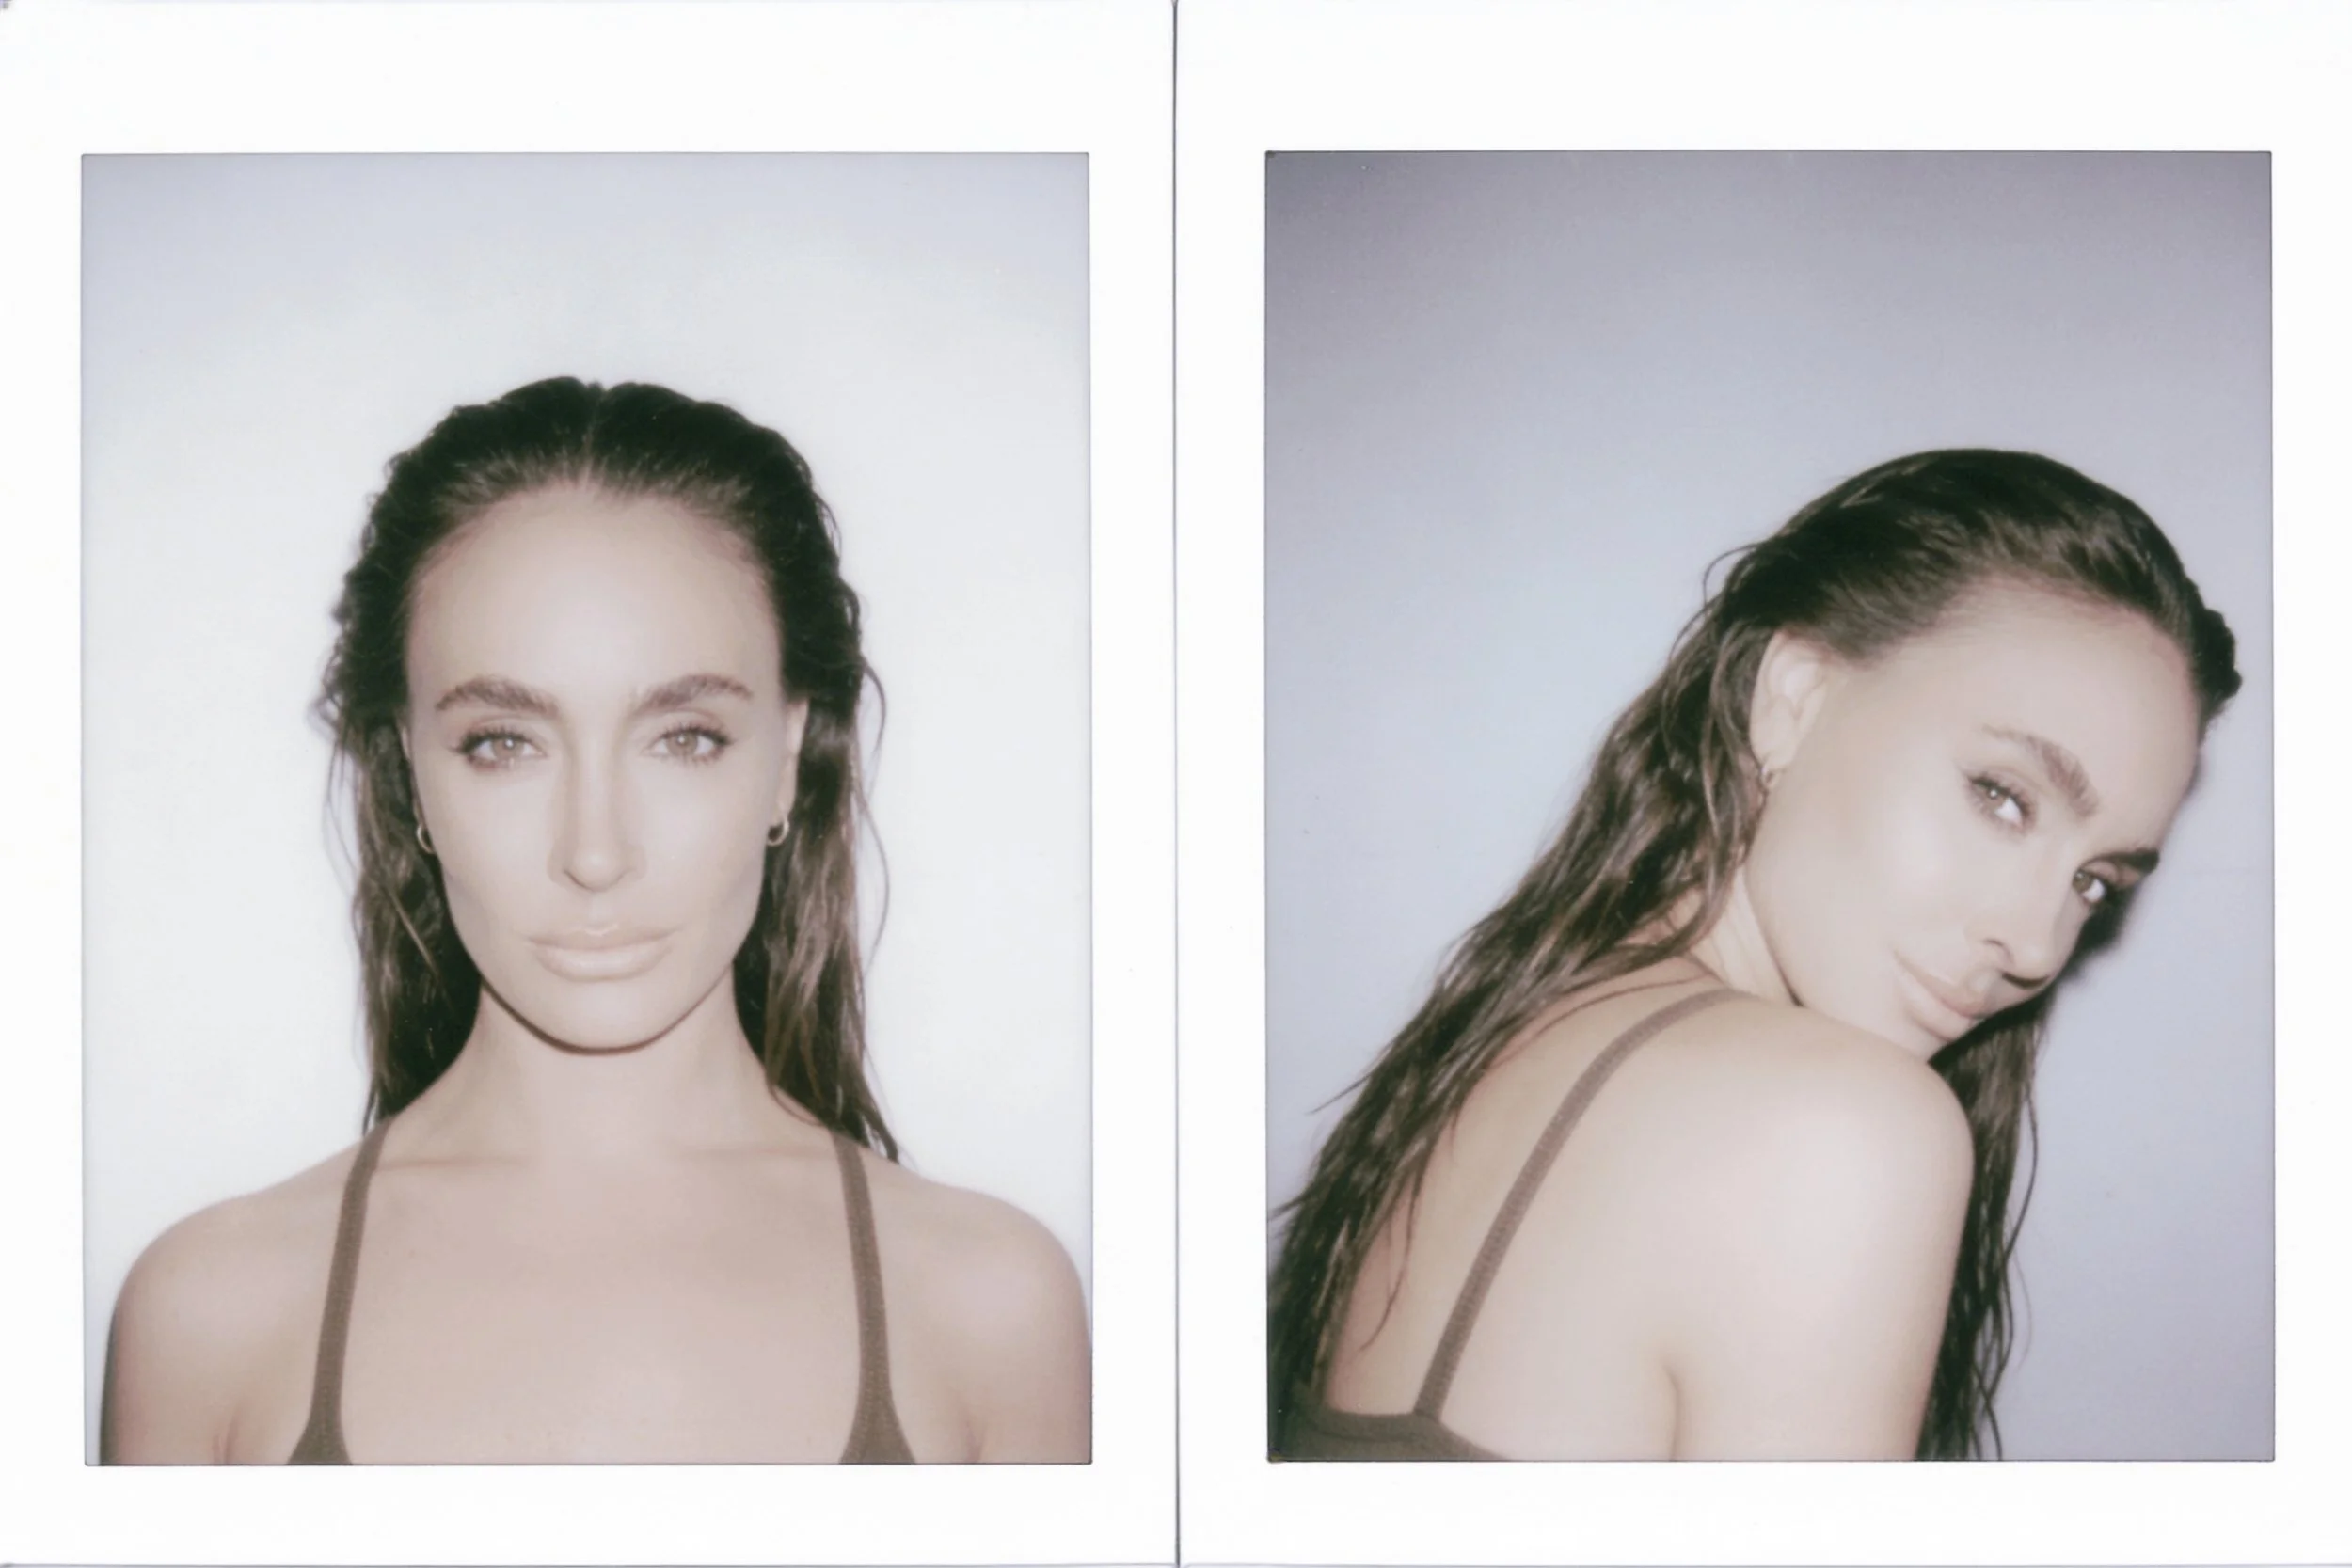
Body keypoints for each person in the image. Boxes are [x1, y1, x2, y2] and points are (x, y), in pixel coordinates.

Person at [102, 377, 1089, 1464]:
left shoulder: (991, 1308)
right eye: (503, 742)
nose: (595, 851)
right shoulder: (210, 1315)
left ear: (785, 759)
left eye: (686, 736)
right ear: (410, 776)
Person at [1268, 450, 2241, 1461]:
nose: (2037, 944)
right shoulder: (1843, 1127)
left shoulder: (1517, 1032)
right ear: (1791, 697)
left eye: (2096, 880)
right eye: (2002, 795)